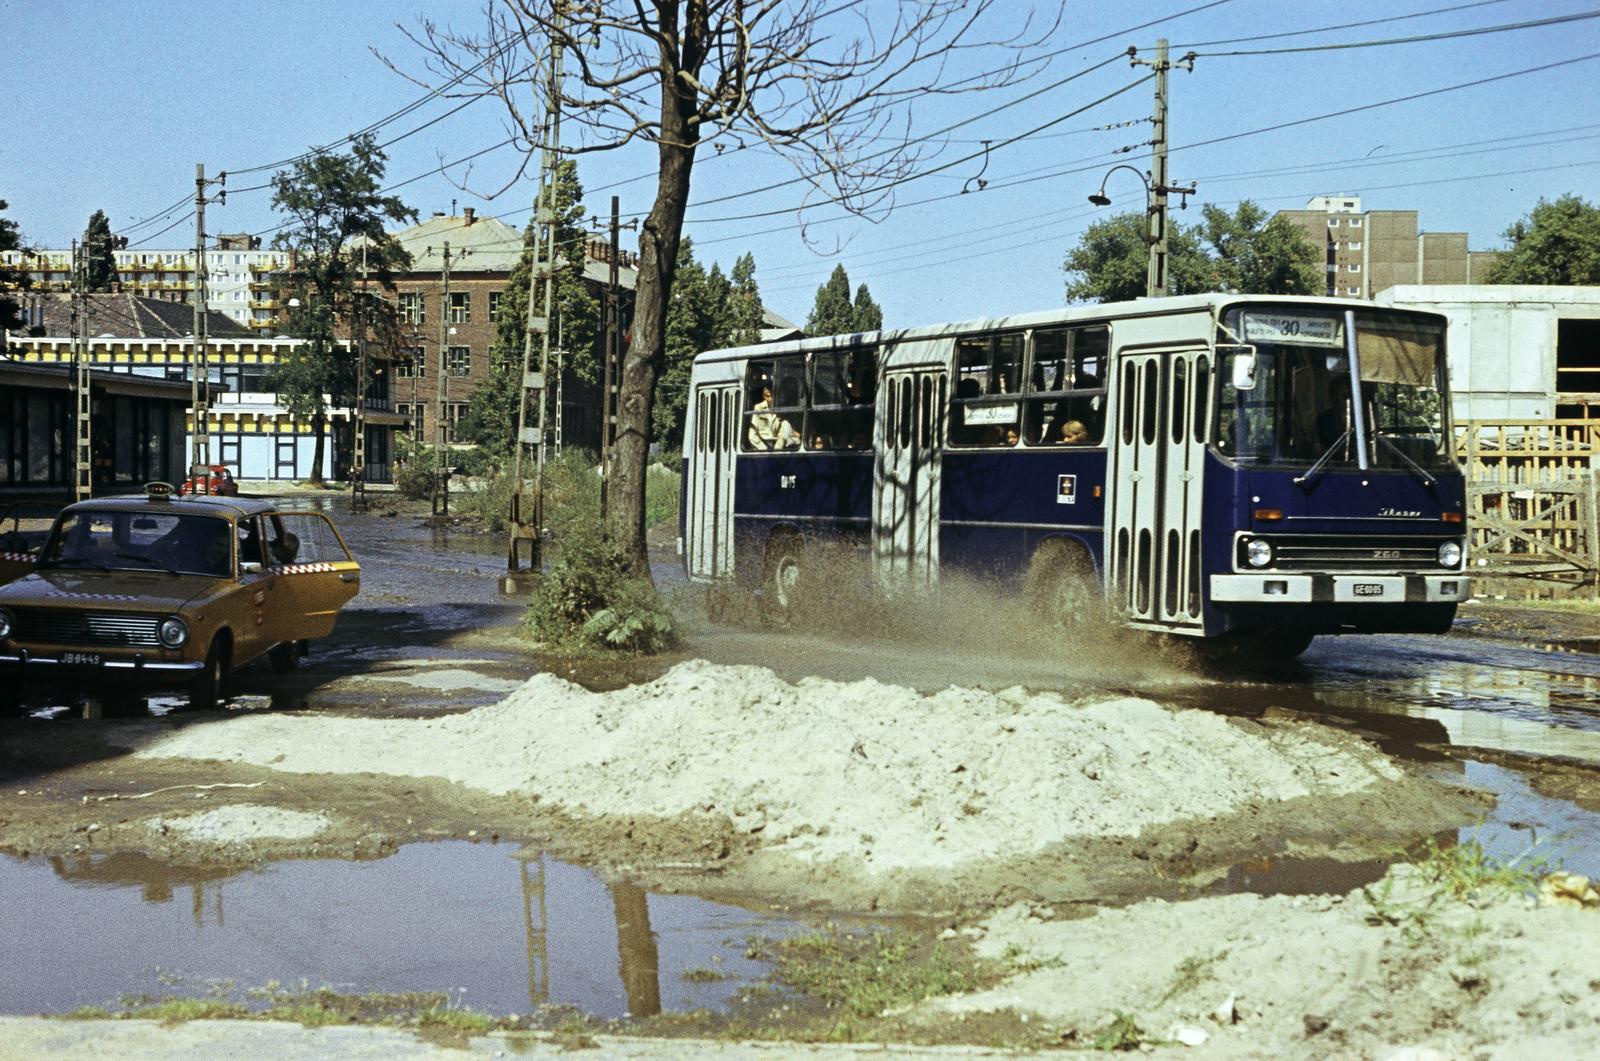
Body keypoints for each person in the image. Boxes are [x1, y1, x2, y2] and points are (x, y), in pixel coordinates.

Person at [747, 385, 797, 450]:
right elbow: (752, 435)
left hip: (776, 445)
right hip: (760, 446)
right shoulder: (758, 408)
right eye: (767, 396)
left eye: (773, 396)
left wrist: (777, 449)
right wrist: (764, 449)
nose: (770, 399)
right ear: (764, 397)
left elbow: (784, 431)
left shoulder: (781, 410)